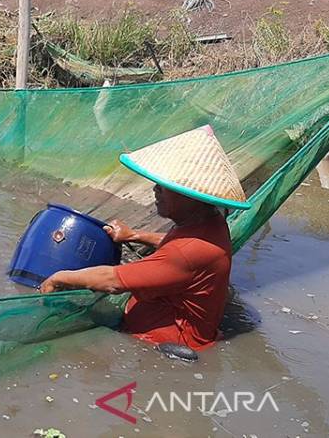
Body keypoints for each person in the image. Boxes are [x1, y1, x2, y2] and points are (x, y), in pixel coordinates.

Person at [39, 125, 252, 351]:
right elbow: (175, 247)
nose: (155, 190)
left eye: (164, 186)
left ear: (192, 196)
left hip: (165, 347)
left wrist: (57, 278)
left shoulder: (187, 252)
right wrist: (134, 235)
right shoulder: (209, 223)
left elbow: (111, 281)